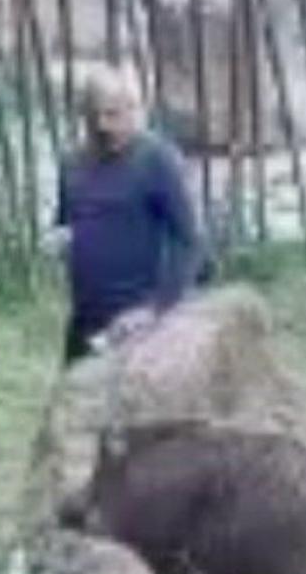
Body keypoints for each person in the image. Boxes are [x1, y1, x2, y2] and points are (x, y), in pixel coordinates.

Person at [50, 67, 205, 365]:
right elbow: (66, 227)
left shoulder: (157, 160)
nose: (103, 126)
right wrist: (60, 241)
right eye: (94, 116)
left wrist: (155, 308)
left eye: (113, 115)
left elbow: (189, 241)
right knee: (77, 407)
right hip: (86, 319)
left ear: (136, 109)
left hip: (140, 324)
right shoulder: (72, 165)